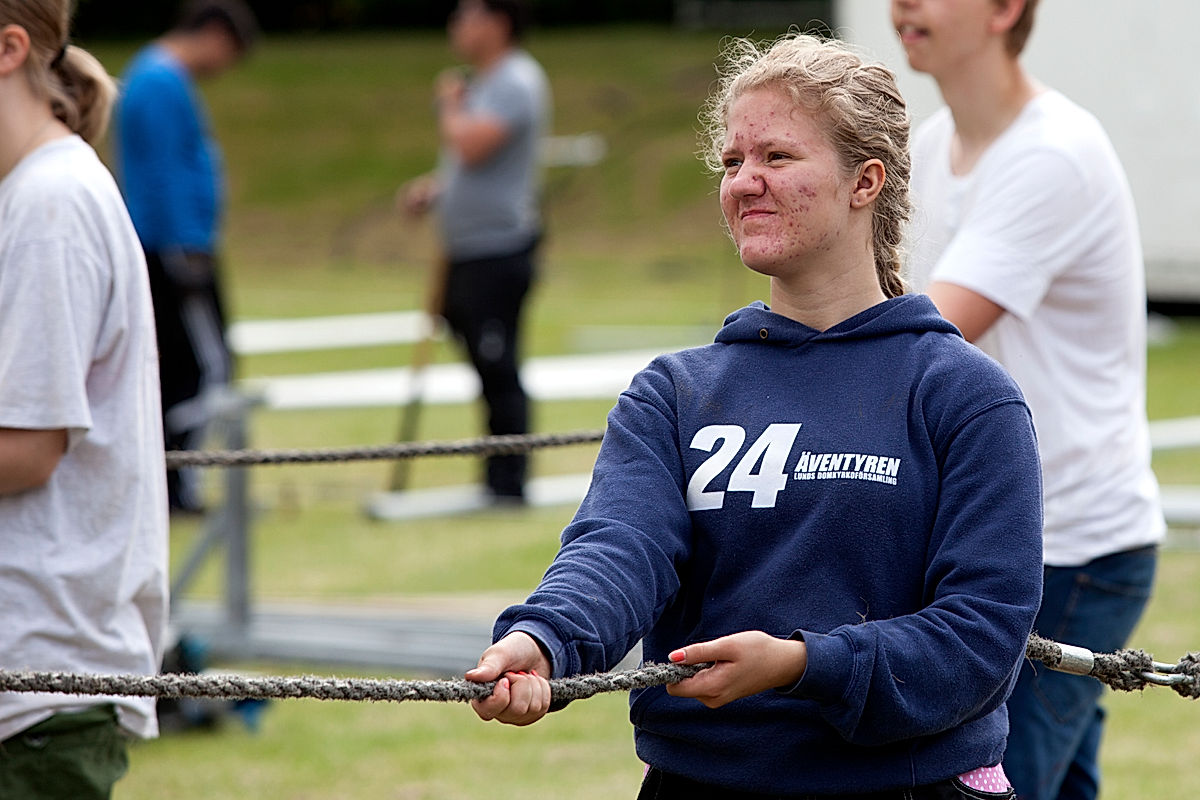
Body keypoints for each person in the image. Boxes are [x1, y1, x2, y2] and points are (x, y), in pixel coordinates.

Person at [464, 33, 1044, 798]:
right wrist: (544, 638)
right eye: (733, 162)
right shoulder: (673, 394)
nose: (745, 183)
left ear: (865, 181)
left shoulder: (964, 397)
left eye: (776, 157)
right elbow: (617, 549)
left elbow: (980, 637)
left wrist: (806, 666)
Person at [891, 2, 1166, 797]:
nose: (901, 4)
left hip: (1074, 552)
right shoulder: (933, 149)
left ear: (1006, 9)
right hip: (1008, 538)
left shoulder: (1054, 155)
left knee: (992, 784)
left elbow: (924, 339)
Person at [0, 2, 169, 797]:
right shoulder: (35, 194)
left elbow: (27, 450)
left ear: (9, 48)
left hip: (36, 688)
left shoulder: (50, 205)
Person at [401, 0, 550, 502]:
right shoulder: (486, 83)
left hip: (498, 249)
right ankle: (495, 472)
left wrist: (449, 102)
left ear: (498, 22)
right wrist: (436, 190)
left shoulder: (515, 79)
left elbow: (471, 146)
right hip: (465, 250)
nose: (456, 25)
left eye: (467, 15)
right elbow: (467, 168)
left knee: (498, 361)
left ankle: (508, 482)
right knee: (484, 362)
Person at [114, 0, 259, 513]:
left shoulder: (155, 77)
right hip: (175, 250)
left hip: (173, 245)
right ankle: (180, 486)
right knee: (203, 365)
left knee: (181, 366)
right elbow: (162, 178)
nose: (223, 67)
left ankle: (173, 484)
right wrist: (186, 248)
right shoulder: (159, 81)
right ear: (214, 34)